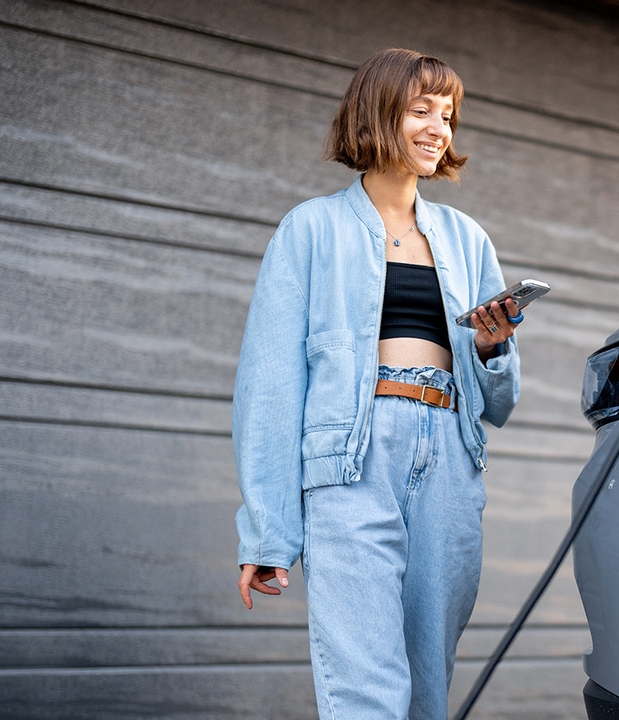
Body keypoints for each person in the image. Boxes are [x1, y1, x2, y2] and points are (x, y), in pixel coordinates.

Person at [231, 47, 522, 719]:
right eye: (421, 110)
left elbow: (501, 402)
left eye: (447, 116)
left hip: (449, 458)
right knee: (366, 688)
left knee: (427, 690)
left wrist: (490, 349)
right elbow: (271, 386)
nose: (437, 129)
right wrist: (268, 533)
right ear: (377, 111)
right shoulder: (311, 229)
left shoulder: (467, 238)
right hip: (353, 462)